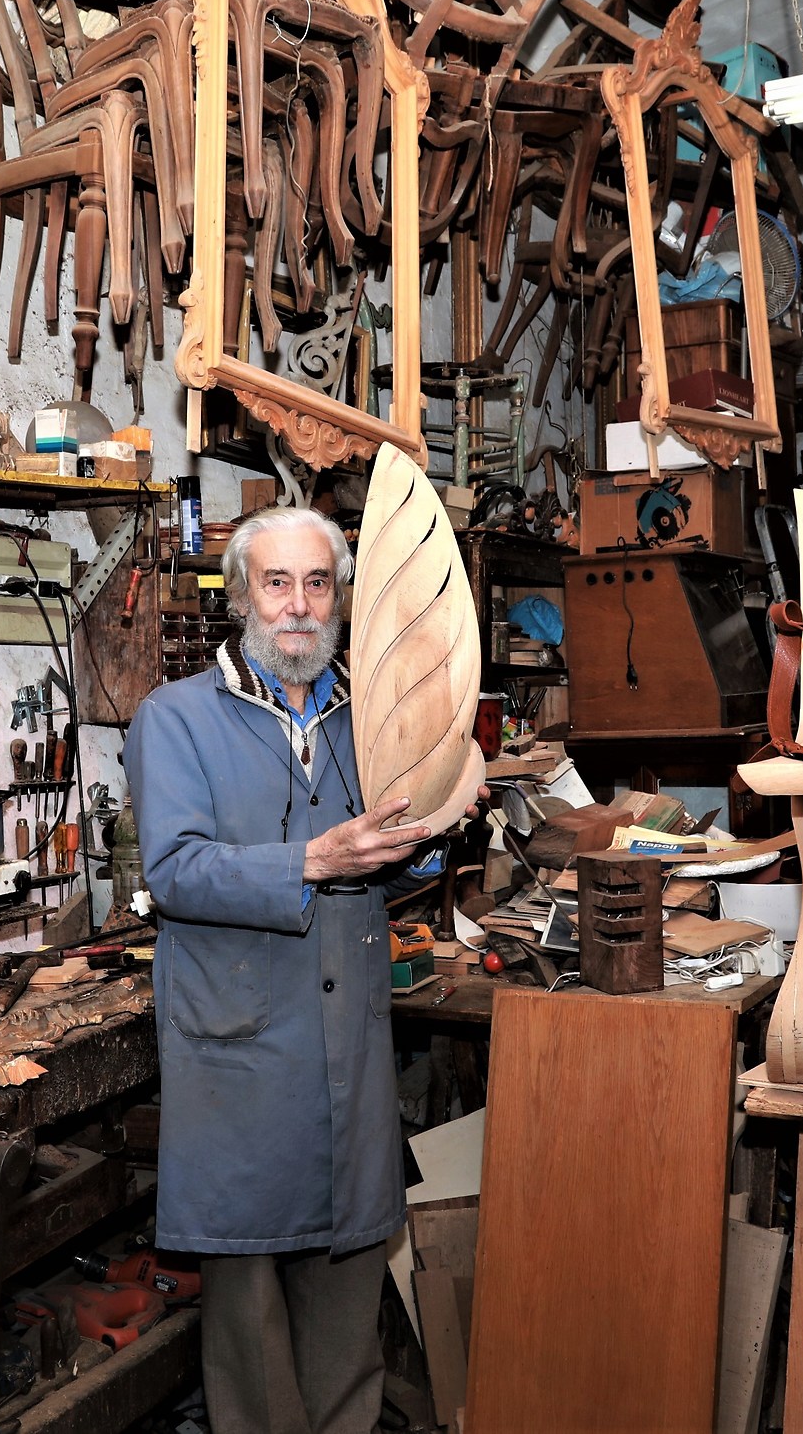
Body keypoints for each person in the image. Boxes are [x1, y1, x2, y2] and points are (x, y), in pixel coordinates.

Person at [123, 504, 470, 1434]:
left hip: (349, 1052)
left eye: (318, 584)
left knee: (349, 1309)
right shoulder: (178, 719)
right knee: (250, 1329)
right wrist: (315, 859)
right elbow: (175, 870)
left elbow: (396, 851)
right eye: (276, 583)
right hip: (240, 1059)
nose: (299, 606)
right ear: (241, 597)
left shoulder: (375, 714)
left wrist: (441, 822)